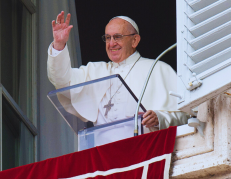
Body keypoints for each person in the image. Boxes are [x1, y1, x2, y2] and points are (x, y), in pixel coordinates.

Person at [47, 11, 188, 134]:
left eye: (118, 37)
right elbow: (62, 81)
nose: (111, 43)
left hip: (145, 152)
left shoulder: (158, 69)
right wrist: (59, 45)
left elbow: (186, 116)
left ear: (134, 40)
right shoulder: (94, 71)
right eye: (108, 38)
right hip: (104, 155)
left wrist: (159, 119)